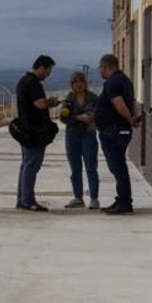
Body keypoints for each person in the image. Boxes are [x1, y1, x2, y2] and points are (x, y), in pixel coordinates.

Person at [96, 53, 142, 215]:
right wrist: (132, 118)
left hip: (114, 131)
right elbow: (130, 101)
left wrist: (130, 119)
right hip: (118, 130)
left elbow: (120, 104)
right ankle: (122, 199)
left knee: (118, 167)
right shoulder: (124, 80)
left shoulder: (112, 82)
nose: (99, 71)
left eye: (100, 68)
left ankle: (124, 202)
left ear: (105, 67)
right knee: (118, 166)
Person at [14, 55, 56, 211]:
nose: (49, 75)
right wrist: (51, 102)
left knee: (26, 165)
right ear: (41, 68)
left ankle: (22, 199)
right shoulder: (34, 84)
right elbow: (39, 104)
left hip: (25, 129)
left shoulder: (23, 81)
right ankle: (28, 201)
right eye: (49, 71)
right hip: (34, 131)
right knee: (31, 165)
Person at [58, 70, 101, 210]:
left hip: (88, 135)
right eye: (75, 82)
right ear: (72, 85)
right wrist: (78, 117)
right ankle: (78, 198)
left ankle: (94, 198)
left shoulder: (93, 98)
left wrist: (94, 122)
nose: (78, 85)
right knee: (75, 167)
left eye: (80, 81)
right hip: (72, 135)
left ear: (85, 83)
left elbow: (101, 114)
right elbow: (63, 118)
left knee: (91, 166)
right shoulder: (69, 99)